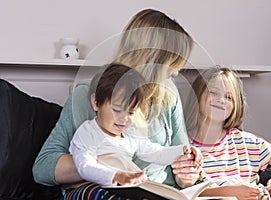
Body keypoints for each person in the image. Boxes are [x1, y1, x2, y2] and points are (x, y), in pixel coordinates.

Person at [33, 8, 201, 199]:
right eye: (171, 65)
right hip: (113, 191)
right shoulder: (89, 94)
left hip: (162, 193)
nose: (175, 73)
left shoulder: (167, 94)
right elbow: (43, 167)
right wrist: (108, 164)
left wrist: (187, 173)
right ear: (150, 60)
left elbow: (180, 166)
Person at [68, 63, 200, 189]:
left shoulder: (131, 132)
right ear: (96, 102)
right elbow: (84, 166)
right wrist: (116, 176)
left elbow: (154, 152)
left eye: (131, 112)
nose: (124, 119)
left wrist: (182, 151)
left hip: (121, 188)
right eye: (117, 110)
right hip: (90, 187)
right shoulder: (88, 131)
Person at [184, 67, 271, 200]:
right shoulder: (184, 146)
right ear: (197, 94)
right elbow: (189, 191)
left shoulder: (245, 142)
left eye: (228, 97)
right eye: (214, 92)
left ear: (235, 105)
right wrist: (231, 192)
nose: (221, 100)